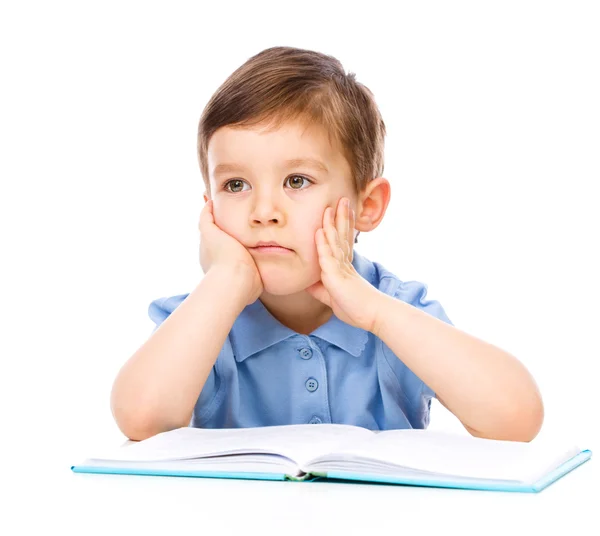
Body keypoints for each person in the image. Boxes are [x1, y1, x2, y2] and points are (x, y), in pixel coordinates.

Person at [110, 46, 544, 443]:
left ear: (366, 206)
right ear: (209, 211)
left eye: (297, 180)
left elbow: (516, 419)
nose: (263, 211)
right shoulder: (201, 318)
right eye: (235, 184)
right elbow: (142, 420)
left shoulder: (393, 308)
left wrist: (374, 313)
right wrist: (224, 281)